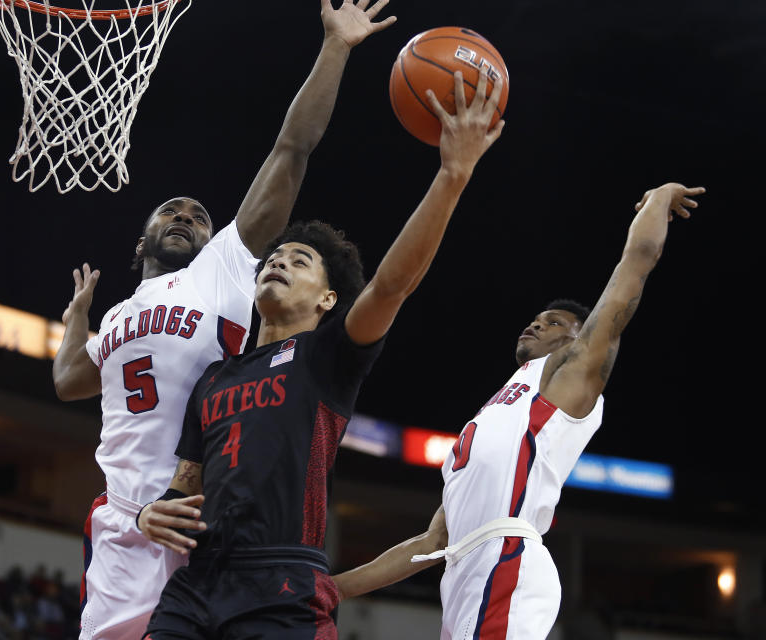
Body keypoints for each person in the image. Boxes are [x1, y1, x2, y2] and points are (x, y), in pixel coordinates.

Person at [50, 2, 396, 638]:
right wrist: (78, 319)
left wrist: (336, 48)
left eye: (198, 215)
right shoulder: (124, 313)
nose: (184, 216)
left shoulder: (226, 265)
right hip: (125, 519)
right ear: (142, 240)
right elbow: (70, 379)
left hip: (207, 516)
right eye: (170, 210)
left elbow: (292, 150)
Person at [137, 69, 504, 639]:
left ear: (328, 298)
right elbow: (185, 484)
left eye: (300, 260)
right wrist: (147, 511)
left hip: (281, 583)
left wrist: (453, 175)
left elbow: (391, 285)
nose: (279, 260)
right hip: (196, 582)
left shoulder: (328, 356)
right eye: (275, 255)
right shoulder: (213, 378)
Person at [328, 182, 705, 639]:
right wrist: (332, 589)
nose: (536, 323)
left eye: (553, 323)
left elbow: (633, 269)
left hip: (507, 558)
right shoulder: (492, 412)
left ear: (575, 339)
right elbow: (432, 543)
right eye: (537, 318)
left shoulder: (566, 377)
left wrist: (661, 200)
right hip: (463, 573)